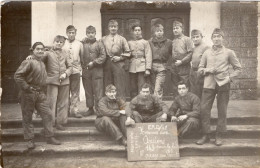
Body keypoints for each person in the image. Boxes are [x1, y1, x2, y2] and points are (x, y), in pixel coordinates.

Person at [196, 28, 242, 146]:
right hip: (208, 83)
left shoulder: (229, 52)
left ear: (223, 38)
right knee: (204, 109)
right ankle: (206, 134)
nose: (216, 39)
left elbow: (238, 69)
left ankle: (219, 135)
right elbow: (200, 69)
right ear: (211, 39)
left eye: (219, 36)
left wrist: (229, 78)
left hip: (223, 84)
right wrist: (208, 70)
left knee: (222, 110)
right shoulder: (206, 53)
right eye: (214, 36)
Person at [14, 42, 61, 149]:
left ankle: (49, 136)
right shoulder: (28, 62)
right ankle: (29, 140)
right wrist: (27, 87)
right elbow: (17, 76)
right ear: (33, 50)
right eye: (37, 49)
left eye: (42, 49)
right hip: (28, 93)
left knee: (48, 114)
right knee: (27, 117)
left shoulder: (42, 63)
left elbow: (42, 79)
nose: (40, 51)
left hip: (40, 93)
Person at [44, 35, 73, 130]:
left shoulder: (66, 53)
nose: (59, 43)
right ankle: (50, 123)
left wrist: (65, 74)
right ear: (53, 42)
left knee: (63, 103)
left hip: (64, 81)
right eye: (57, 41)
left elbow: (70, 67)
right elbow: (38, 58)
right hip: (52, 81)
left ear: (63, 44)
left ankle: (60, 122)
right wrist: (31, 57)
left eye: (61, 42)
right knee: (51, 102)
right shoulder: (47, 53)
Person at [102, 20, 131, 100]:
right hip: (107, 63)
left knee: (119, 85)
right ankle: (109, 105)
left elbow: (128, 52)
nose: (113, 28)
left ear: (117, 28)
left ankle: (121, 105)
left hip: (119, 64)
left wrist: (120, 58)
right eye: (111, 27)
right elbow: (98, 48)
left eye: (115, 26)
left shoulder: (122, 39)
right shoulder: (104, 39)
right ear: (108, 28)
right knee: (108, 85)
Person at [81, 25, 106, 116]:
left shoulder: (99, 44)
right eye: (88, 33)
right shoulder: (82, 44)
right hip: (86, 71)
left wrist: (94, 63)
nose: (90, 35)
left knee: (98, 90)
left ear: (95, 33)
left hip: (97, 70)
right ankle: (90, 108)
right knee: (88, 90)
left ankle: (99, 109)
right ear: (86, 34)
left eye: (92, 33)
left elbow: (103, 56)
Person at [63, 25, 84, 118]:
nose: (71, 34)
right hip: (65, 71)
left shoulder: (79, 44)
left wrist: (80, 68)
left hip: (75, 71)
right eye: (69, 33)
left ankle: (75, 110)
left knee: (75, 92)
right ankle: (65, 111)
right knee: (65, 92)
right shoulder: (62, 43)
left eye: (73, 33)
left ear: (75, 33)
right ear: (66, 33)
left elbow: (82, 57)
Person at [170, 21, 193, 98]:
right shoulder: (173, 41)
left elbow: (190, 53)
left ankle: (186, 107)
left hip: (184, 67)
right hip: (174, 67)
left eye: (177, 28)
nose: (175, 30)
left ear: (182, 29)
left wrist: (182, 61)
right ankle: (177, 106)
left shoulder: (187, 39)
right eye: (173, 28)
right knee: (175, 87)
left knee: (184, 86)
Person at [128, 24, 152, 98]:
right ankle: (134, 102)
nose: (137, 32)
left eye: (139, 30)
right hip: (132, 66)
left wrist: (148, 69)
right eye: (135, 30)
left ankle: (141, 102)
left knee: (141, 85)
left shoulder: (145, 42)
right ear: (133, 32)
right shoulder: (129, 43)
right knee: (132, 86)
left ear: (141, 31)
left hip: (142, 66)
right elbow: (126, 54)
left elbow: (148, 55)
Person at [149, 24, 172, 99]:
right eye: (157, 31)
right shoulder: (150, 42)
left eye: (161, 31)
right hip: (152, 66)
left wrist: (169, 65)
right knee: (152, 87)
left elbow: (173, 54)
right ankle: (154, 105)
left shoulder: (168, 42)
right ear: (154, 32)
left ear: (163, 32)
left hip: (162, 66)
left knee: (158, 87)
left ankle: (158, 105)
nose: (159, 32)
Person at [189, 29, 210, 99]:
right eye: (193, 37)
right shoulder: (193, 47)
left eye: (197, 37)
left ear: (201, 37)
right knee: (193, 92)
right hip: (193, 72)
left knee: (200, 93)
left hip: (201, 73)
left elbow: (208, 61)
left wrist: (202, 72)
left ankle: (201, 109)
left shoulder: (206, 47)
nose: (195, 39)